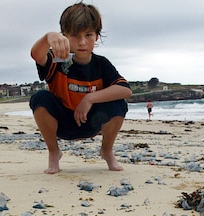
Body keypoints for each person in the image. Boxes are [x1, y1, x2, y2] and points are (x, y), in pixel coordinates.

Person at [29, 2, 132, 174]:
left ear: (97, 36)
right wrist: (49, 37)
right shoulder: (57, 60)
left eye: (89, 35)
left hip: (91, 121)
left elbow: (125, 90)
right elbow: (36, 55)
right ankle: (54, 152)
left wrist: (89, 98)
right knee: (39, 98)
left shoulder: (101, 64)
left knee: (118, 103)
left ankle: (107, 151)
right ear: (65, 36)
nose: (82, 42)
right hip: (62, 123)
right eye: (75, 36)